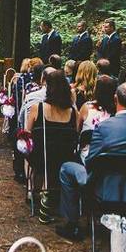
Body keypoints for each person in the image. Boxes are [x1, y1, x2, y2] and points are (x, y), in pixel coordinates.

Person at [56, 83, 126, 241]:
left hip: (103, 190)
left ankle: (71, 223)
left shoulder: (103, 127)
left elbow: (91, 162)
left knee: (67, 168)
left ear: (116, 100)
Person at [25, 70, 78, 222]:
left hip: (40, 157)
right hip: (64, 157)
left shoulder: (38, 108)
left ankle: (38, 192)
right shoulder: (73, 112)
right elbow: (76, 134)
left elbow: (27, 133)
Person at [77, 75, 115, 160]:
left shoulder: (86, 107)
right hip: (109, 156)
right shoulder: (116, 112)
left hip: (87, 155)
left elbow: (78, 129)